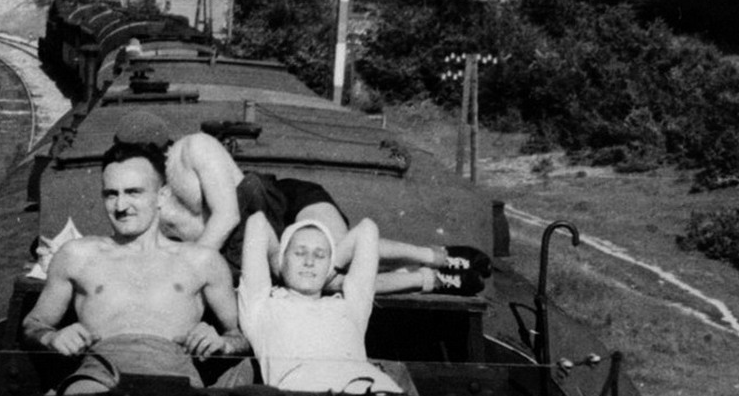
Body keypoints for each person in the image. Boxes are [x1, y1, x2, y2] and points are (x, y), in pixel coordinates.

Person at [114, 110, 489, 295]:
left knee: (339, 250)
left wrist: (189, 269)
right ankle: (430, 280)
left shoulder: (193, 149)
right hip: (258, 237)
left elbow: (226, 215)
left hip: (284, 203)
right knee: (329, 280)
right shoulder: (148, 196)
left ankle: (438, 256)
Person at [22, 141, 248, 394]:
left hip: (175, 375)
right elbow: (34, 323)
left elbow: (240, 335)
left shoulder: (202, 261)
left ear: (162, 196)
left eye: (133, 192)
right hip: (99, 372)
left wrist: (222, 343)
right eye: (111, 194)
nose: (120, 206)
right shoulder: (77, 255)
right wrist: (52, 337)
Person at [238, 212, 401, 392]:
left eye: (320, 256)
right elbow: (257, 223)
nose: (309, 262)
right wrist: (282, 267)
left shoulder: (350, 307)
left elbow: (367, 229)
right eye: (299, 253)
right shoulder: (262, 307)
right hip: (306, 395)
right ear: (283, 259)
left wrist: (329, 269)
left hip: (372, 389)